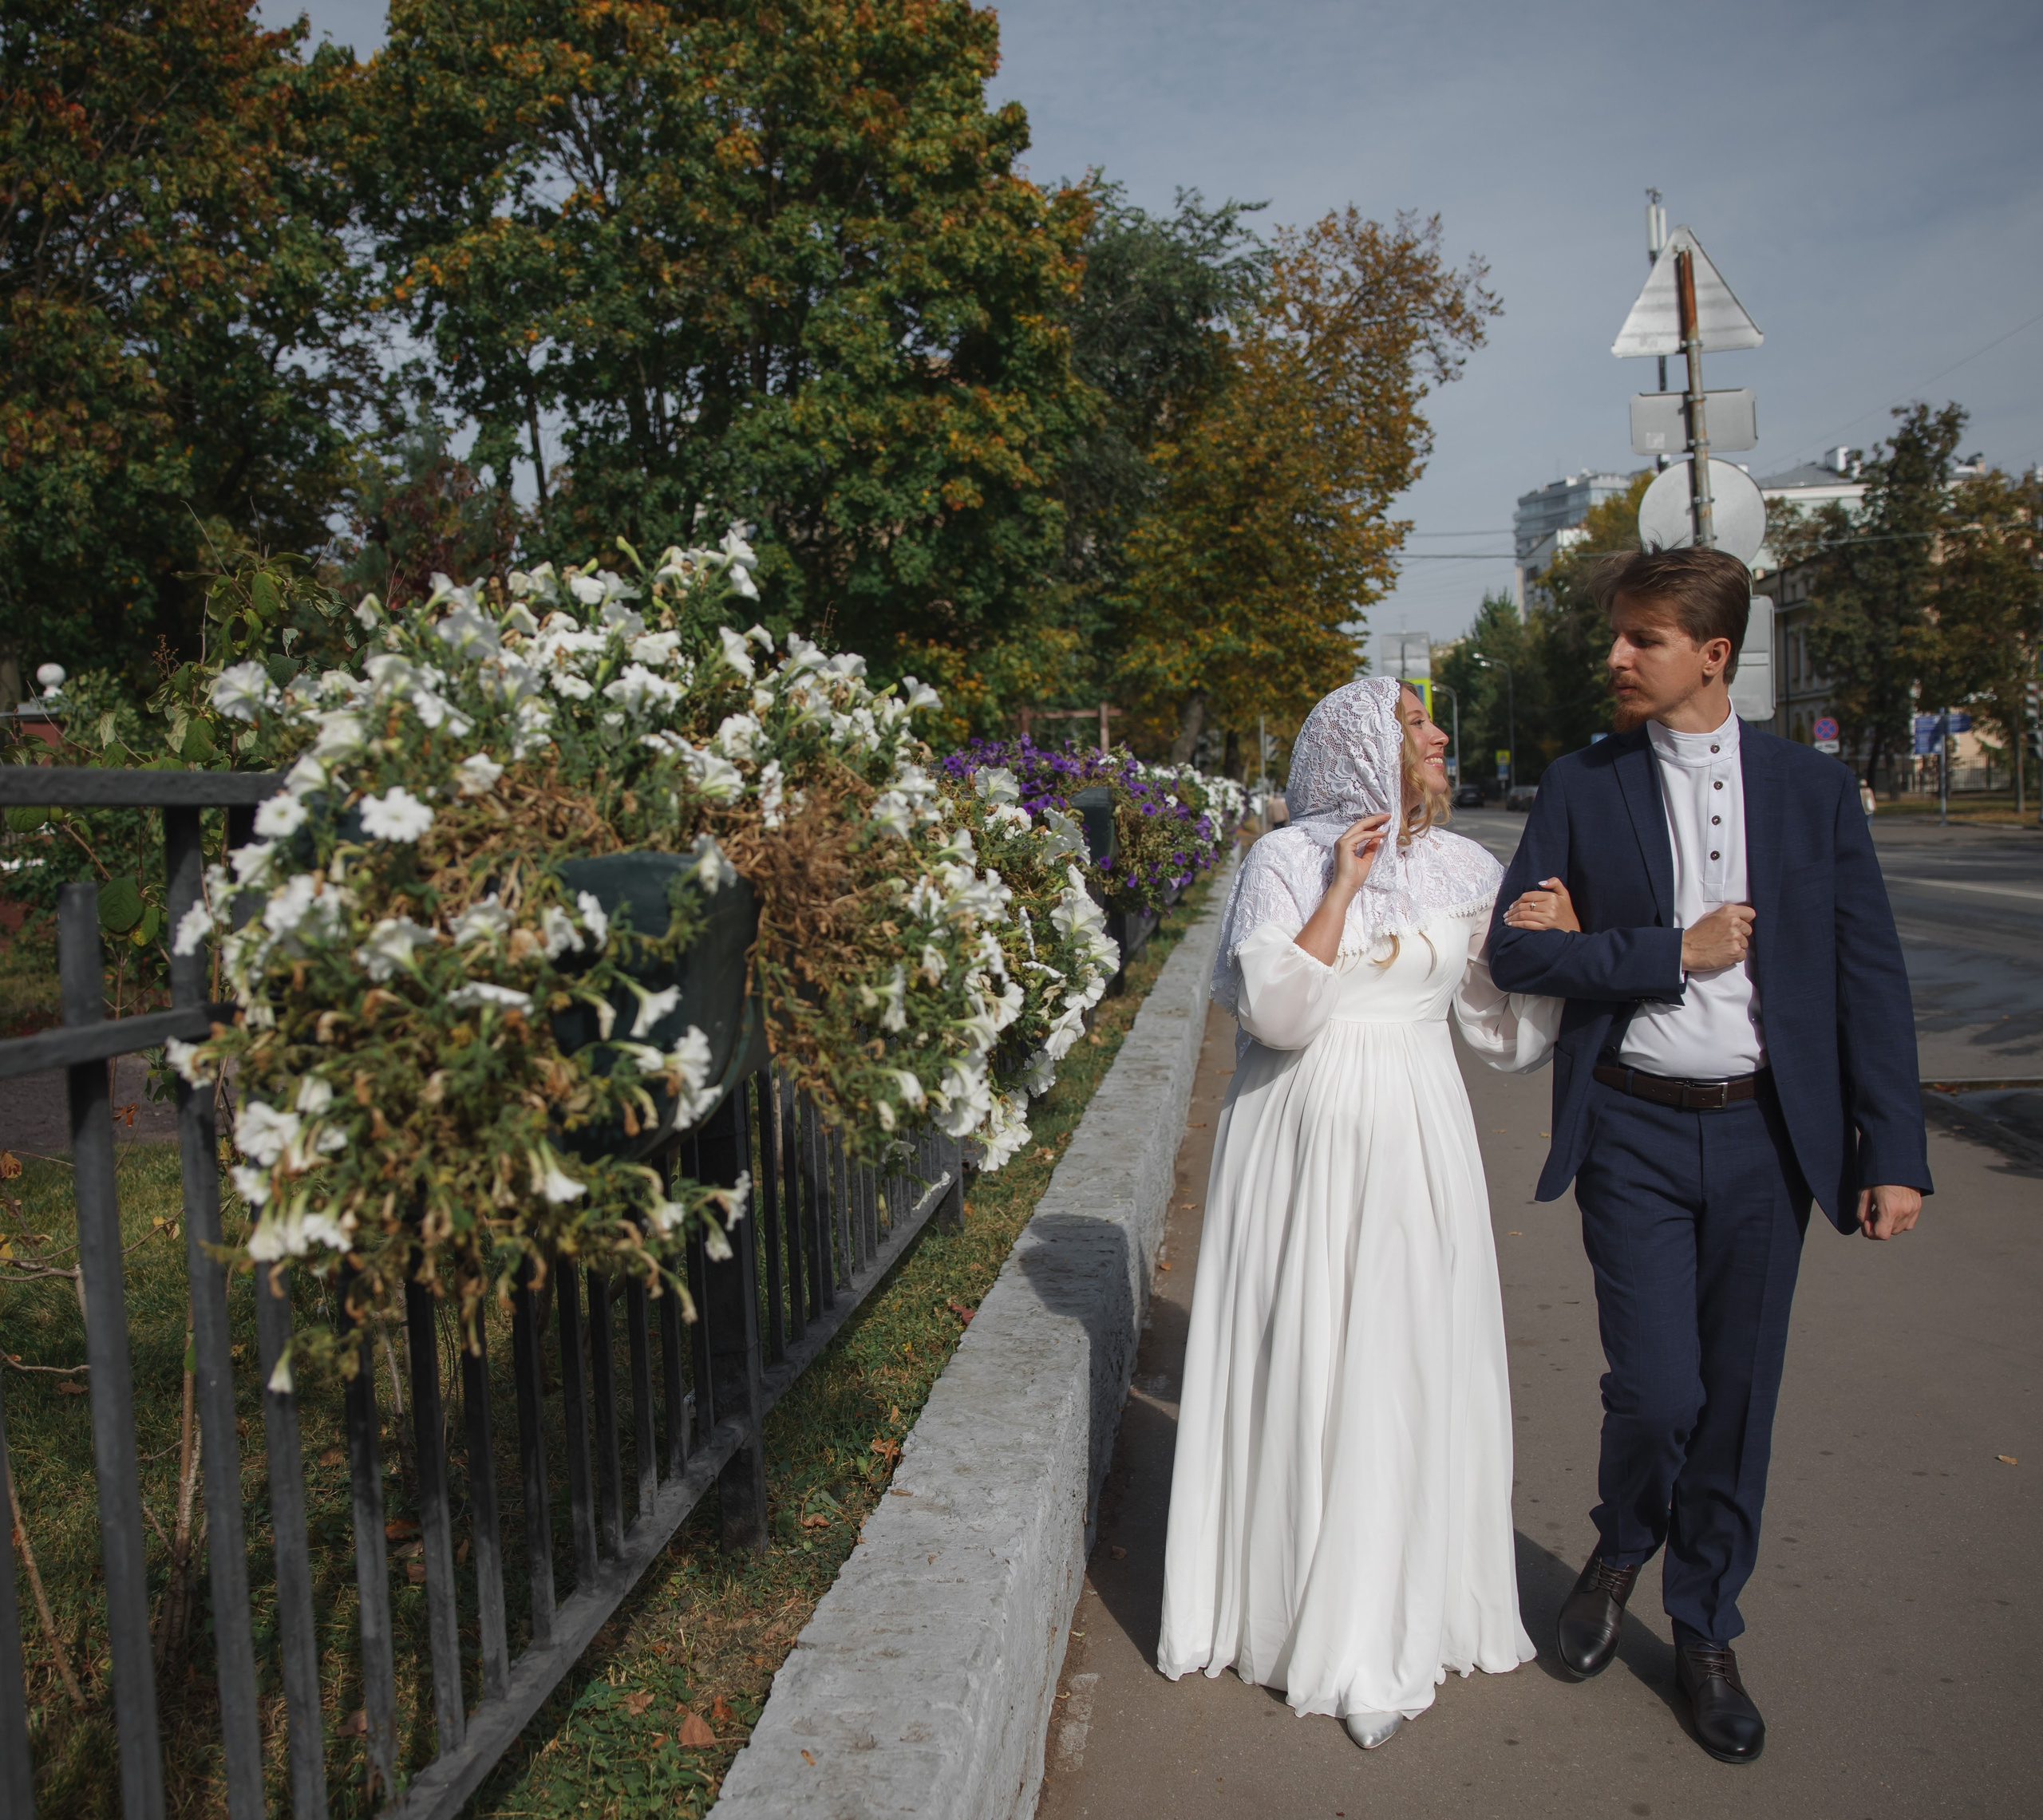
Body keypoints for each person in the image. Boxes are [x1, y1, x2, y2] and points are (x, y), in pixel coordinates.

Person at [1491, 545, 1930, 1767]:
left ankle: (1704, 1625)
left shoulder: (1810, 791)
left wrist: (1891, 1149)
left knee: (1734, 1402)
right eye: (1617, 636)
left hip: (1764, 1137)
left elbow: (1867, 974)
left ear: (1713, 655)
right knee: (1659, 1389)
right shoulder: (1581, 785)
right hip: (1630, 1124)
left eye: (1642, 639)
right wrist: (1660, 951)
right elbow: (1518, 954)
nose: (1615, 658)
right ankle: (1623, 1542)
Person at [1158, 677, 1557, 1752]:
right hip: (1297, 1138)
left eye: (1431, 721)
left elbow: (1503, 1037)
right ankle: (1297, 1614)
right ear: (1358, 748)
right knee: (1312, 1359)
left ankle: (1392, 1613)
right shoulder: (1282, 860)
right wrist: (1340, 891)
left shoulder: (1470, 866)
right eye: (1413, 721)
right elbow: (1279, 1016)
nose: (1436, 734)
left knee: (1403, 1364)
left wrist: (1546, 948)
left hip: (1420, 1138)